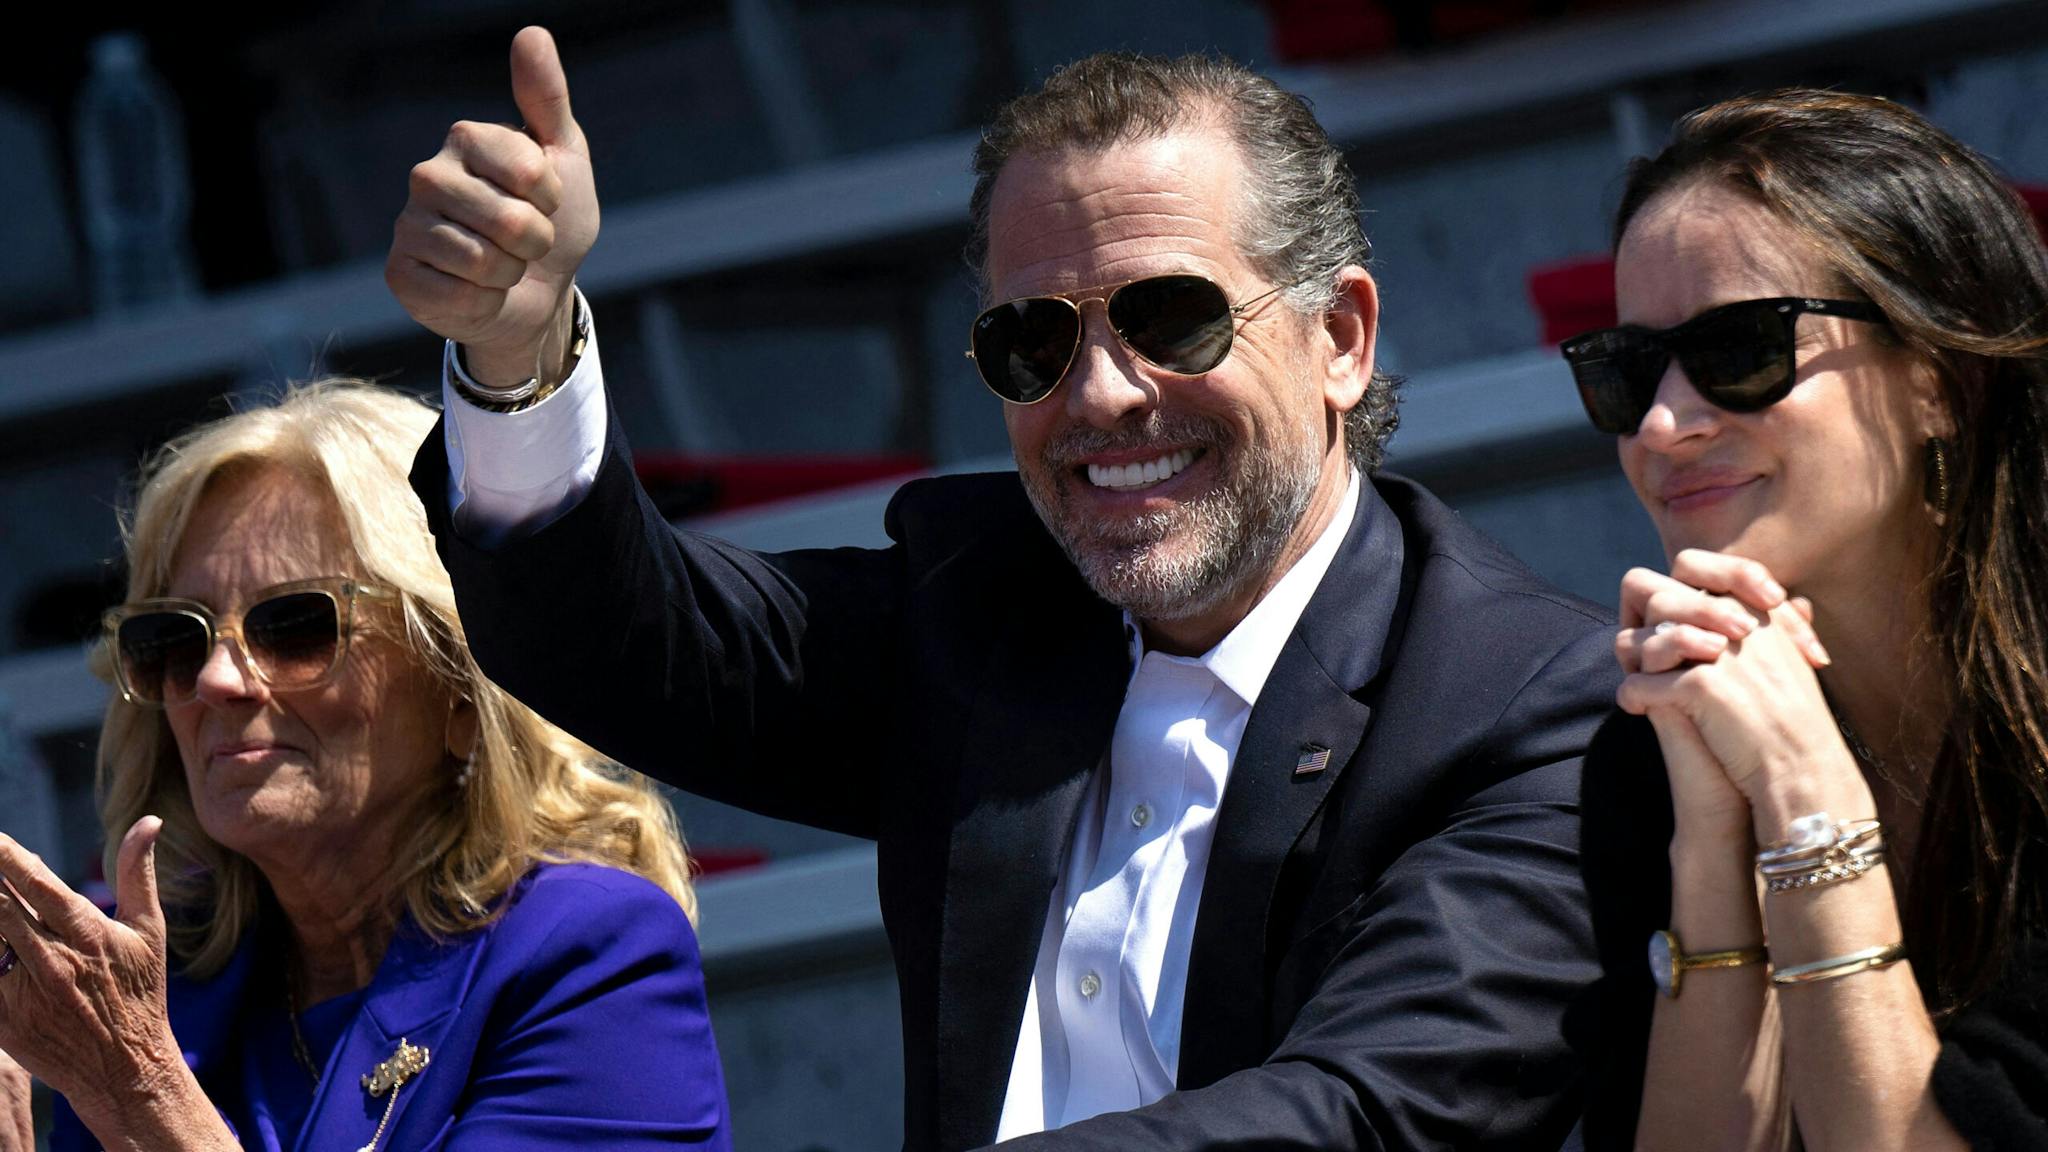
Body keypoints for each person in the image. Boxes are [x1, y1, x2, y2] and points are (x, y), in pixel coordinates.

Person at [389, 27, 1619, 1151]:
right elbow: (618, 636)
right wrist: (516, 350)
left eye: (1171, 319)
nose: (1097, 396)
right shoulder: (979, 611)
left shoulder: (1515, 701)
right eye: (1031, 343)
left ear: (1339, 339)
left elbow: (1368, 1115)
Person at [0, 381, 733, 1152]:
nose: (216, 679)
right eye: (175, 640)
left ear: (460, 688)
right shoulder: (160, 987)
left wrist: (142, 1088)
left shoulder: (589, 956)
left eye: (294, 626)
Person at [1563, 90, 2048, 1150]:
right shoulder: (1653, 752)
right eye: (1629, 368)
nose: (1659, 422)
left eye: (1739, 349)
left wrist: (1806, 806)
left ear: (1940, 381)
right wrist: (1711, 839)